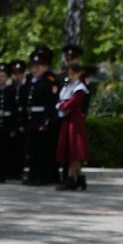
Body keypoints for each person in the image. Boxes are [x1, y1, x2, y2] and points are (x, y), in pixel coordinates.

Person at [20, 46, 60, 187]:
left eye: (39, 66)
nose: (36, 69)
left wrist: (46, 120)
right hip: (31, 117)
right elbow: (24, 99)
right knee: (32, 149)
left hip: (41, 118)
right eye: (34, 66)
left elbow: (51, 102)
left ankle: (42, 176)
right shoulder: (29, 80)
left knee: (43, 149)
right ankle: (32, 174)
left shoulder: (49, 80)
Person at [55, 60, 90, 191]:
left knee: (74, 151)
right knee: (71, 150)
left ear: (79, 74)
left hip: (74, 121)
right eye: (69, 74)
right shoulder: (68, 86)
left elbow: (72, 103)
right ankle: (80, 177)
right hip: (67, 120)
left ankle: (70, 178)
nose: (70, 76)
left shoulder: (80, 89)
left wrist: (61, 106)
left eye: (73, 74)